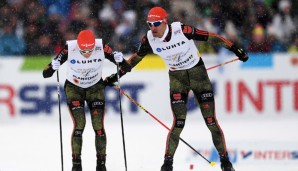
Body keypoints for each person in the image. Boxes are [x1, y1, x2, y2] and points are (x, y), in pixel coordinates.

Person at [104, 7, 248, 171]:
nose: (153, 28)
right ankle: (167, 164)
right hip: (177, 78)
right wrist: (116, 76)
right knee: (178, 123)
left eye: (156, 24)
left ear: (165, 22)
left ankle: (225, 162)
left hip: (197, 74)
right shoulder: (149, 39)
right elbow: (135, 59)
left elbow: (210, 37)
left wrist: (235, 48)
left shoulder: (182, 30)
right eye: (149, 24)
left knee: (210, 121)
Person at [42, 30, 131, 171]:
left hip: (95, 88)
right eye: (83, 51)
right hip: (74, 88)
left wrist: (119, 63)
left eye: (90, 50)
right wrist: (52, 67)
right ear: (78, 46)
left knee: (98, 127)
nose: (87, 54)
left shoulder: (101, 47)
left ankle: (101, 165)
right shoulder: (69, 49)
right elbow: (45, 74)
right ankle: (76, 165)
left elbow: (127, 68)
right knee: (80, 124)